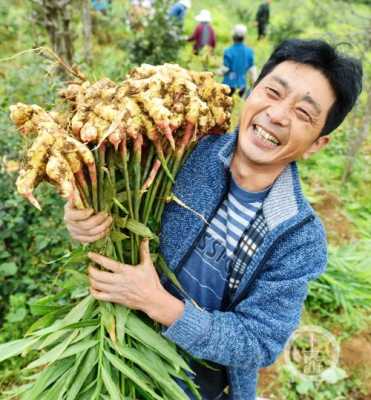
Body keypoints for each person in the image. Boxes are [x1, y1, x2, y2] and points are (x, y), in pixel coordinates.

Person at [64, 39, 362, 400]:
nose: (278, 115)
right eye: (273, 92)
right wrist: (86, 220)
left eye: (303, 114)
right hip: (116, 348)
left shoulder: (299, 238)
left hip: (195, 385)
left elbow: (259, 341)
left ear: (317, 143)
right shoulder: (180, 147)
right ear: (250, 91)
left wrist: (157, 303)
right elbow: (120, 216)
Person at [222, 24, 257, 97]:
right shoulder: (249, 51)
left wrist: (216, 72)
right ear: (244, 37)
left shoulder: (228, 51)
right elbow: (252, 70)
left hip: (228, 84)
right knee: (237, 105)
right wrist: (254, 84)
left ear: (233, 37)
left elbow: (225, 69)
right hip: (242, 86)